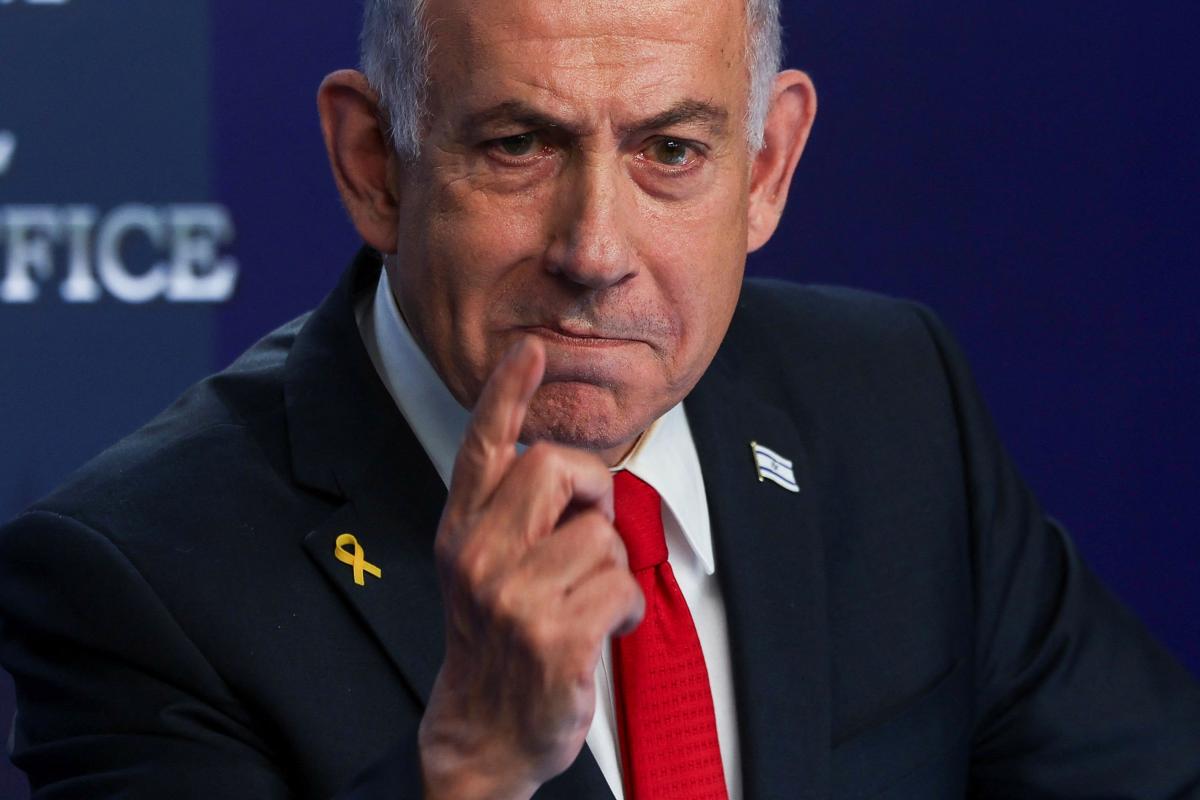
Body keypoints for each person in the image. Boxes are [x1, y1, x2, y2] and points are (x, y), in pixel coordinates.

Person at [1, 0, 1198, 797]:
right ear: (375, 166)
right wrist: (466, 769)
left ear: (767, 167)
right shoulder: (137, 579)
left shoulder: (893, 401)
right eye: (519, 145)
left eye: (670, 151)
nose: (595, 249)